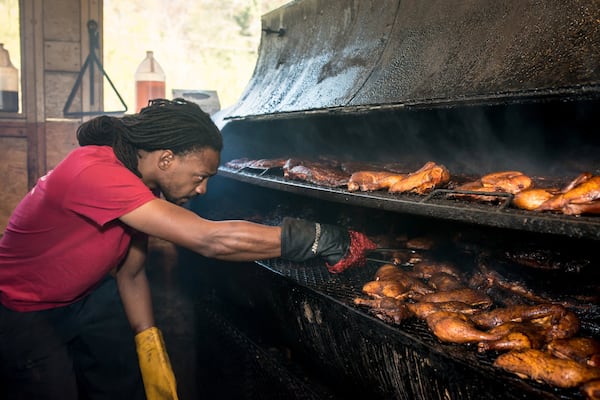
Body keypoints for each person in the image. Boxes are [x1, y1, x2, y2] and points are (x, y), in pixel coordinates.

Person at [0, 98, 376, 400]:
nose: (202, 190)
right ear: (166, 159)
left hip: (89, 294)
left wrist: (149, 343)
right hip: (25, 310)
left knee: (123, 381)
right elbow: (210, 239)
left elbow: (130, 272)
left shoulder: (142, 186)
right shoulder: (95, 172)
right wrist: (318, 238)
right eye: (200, 177)